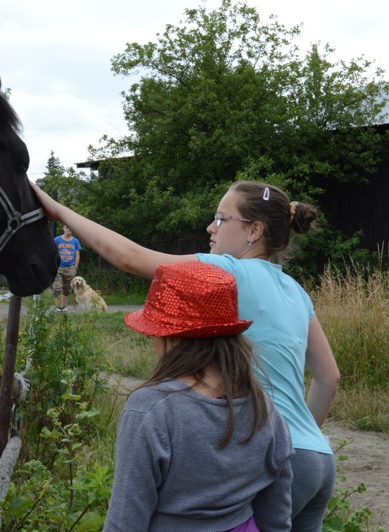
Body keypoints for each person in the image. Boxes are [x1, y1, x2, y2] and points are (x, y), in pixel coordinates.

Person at [33, 180, 340, 531]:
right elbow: (329, 378)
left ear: (254, 230)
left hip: (270, 460)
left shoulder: (228, 271)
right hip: (318, 460)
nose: (211, 227)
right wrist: (301, 439)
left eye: (221, 219)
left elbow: (130, 258)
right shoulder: (296, 290)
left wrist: (56, 209)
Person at [104, 261, 293, 531]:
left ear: (173, 336)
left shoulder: (150, 408)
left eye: (154, 332)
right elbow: (277, 510)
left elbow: (126, 519)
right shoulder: (261, 402)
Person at [52, 225, 81, 311]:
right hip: (58, 267)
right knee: (56, 288)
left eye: (70, 227)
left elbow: (77, 255)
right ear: (64, 228)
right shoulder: (57, 240)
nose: (69, 229)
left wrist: (75, 267)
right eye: (67, 227)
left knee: (67, 289)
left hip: (70, 268)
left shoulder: (75, 241)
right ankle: (58, 308)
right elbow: (52, 252)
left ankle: (64, 307)